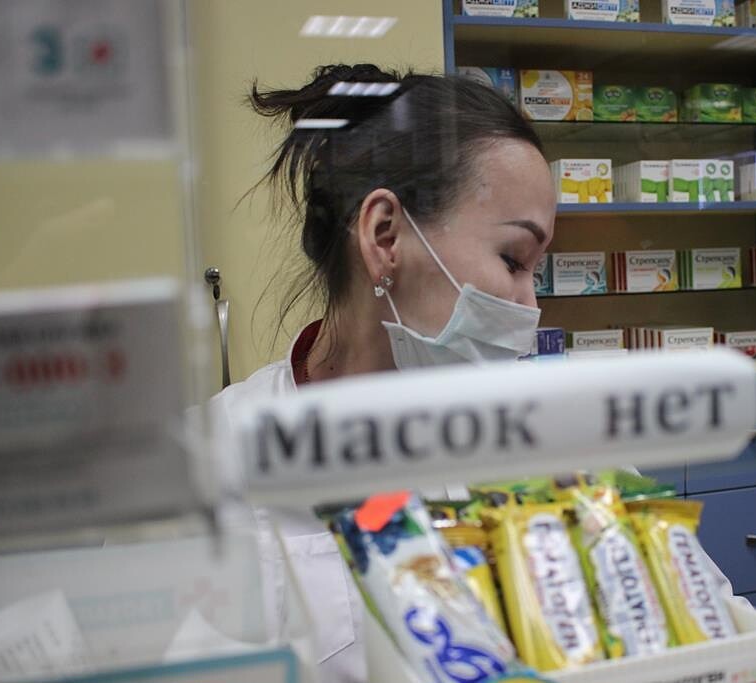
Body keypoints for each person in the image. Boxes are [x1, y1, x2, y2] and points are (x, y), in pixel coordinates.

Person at [207, 64, 556, 683]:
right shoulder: (216, 456)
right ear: (386, 237)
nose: (531, 307)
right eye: (513, 259)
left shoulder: (550, 437)